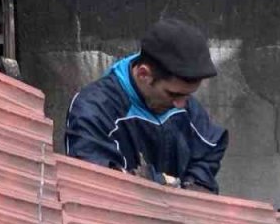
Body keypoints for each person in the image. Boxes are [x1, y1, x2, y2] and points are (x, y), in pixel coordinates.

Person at [65, 18, 228, 193]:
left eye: (188, 95)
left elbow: (210, 147)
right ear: (144, 74)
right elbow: (96, 183)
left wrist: (196, 186)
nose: (181, 105)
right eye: (173, 94)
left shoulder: (182, 103)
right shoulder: (93, 111)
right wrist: (159, 184)